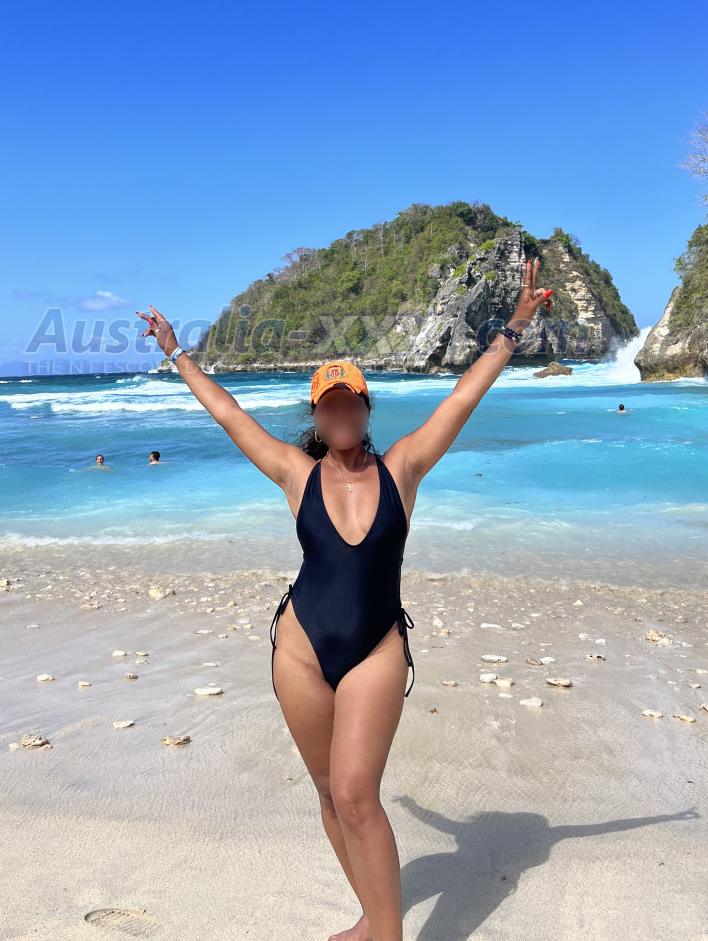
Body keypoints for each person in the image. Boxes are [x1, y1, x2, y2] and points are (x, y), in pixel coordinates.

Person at [135, 259, 553, 941]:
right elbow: (228, 412)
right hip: (301, 648)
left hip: (375, 647)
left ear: (365, 408)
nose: (341, 413)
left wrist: (515, 326)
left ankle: (386, 937)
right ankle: (372, 917)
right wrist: (176, 351)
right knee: (330, 794)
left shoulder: (403, 468)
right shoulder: (294, 473)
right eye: (328, 405)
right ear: (317, 414)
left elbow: (462, 397)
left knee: (358, 794)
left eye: (350, 402)